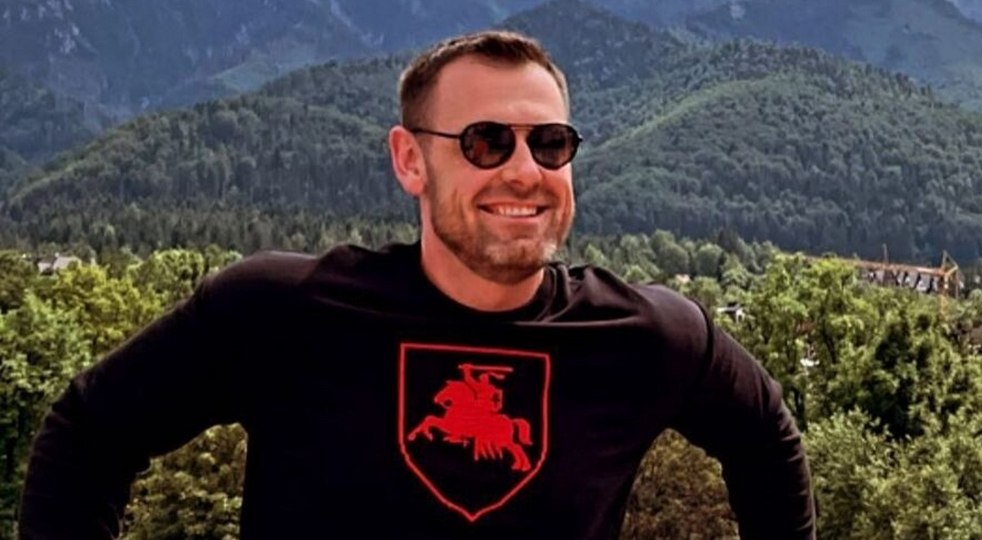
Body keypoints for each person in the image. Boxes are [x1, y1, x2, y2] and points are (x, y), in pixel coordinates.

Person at [19, 29, 817, 539]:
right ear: (409, 160)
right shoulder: (278, 312)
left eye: (550, 143)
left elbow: (766, 441)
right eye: (485, 142)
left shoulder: (648, 338)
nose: (524, 170)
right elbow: (87, 434)